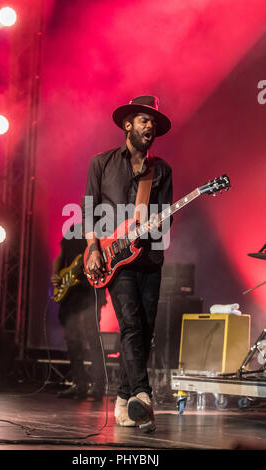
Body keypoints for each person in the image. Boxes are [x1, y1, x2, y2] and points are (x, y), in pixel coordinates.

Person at [82, 95, 173, 432]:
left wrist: (154, 224)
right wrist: (93, 247)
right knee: (132, 326)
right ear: (127, 125)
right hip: (112, 259)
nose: (149, 125)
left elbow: (166, 221)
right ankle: (143, 397)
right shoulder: (101, 163)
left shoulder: (160, 170)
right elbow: (90, 209)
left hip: (149, 258)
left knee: (143, 332)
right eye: (143, 119)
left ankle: (123, 399)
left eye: (153, 122)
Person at [51, 223, 106, 400]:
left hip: (91, 290)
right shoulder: (72, 231)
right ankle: (79, 383)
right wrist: (56, 275)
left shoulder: (101, 232)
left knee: (93, 336)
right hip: (70, 293)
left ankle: (99, 385)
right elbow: (60, 256)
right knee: (71, 338)